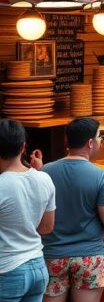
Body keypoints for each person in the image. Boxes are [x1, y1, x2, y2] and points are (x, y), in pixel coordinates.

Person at [40, 118, 104, 302]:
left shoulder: (45, 171)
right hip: (89, 257)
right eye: (99, 137)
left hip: (52, 256)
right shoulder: (100, 175)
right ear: (91, 143)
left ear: (67, 141)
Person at [0, 119, 54, 302]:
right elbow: (46, 228)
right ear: (23, 147)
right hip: (38, 266)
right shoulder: (45, 179)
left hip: (8, 269)